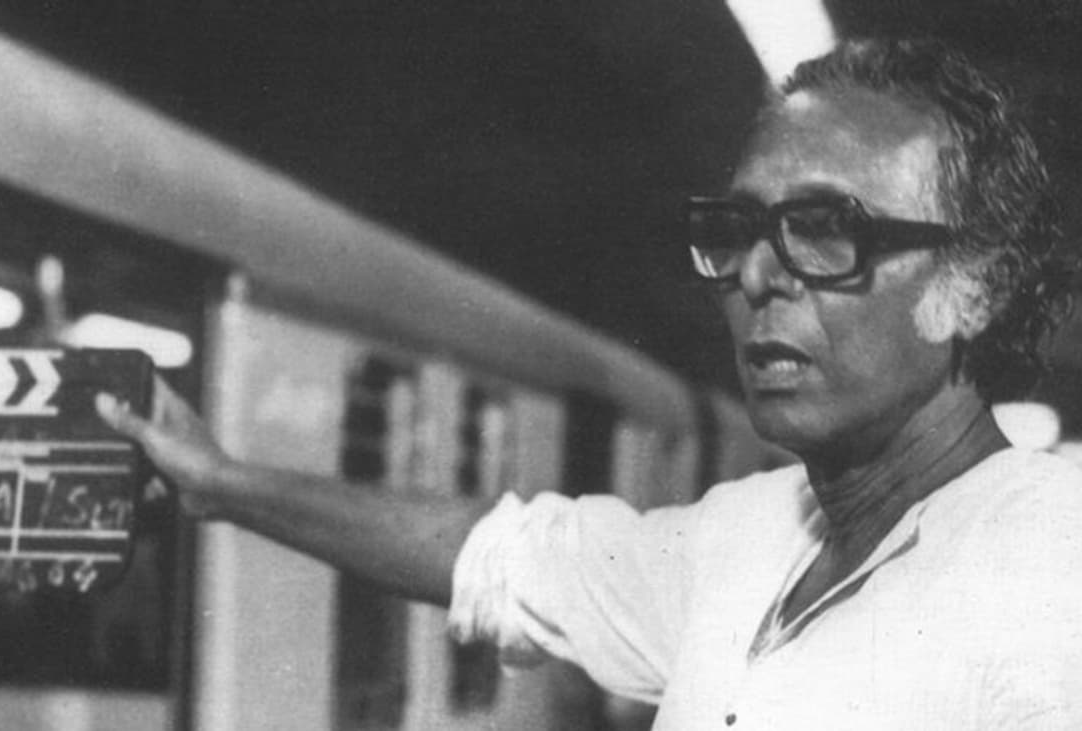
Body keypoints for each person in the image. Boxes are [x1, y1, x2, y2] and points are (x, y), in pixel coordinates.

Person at [96, 38, 1082, 729]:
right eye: (738, 229)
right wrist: (222, 482)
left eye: (826, 230)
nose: (755, 273)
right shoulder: (745, 542)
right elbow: (501, 559)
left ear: (974, 286)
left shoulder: (1051, 571)